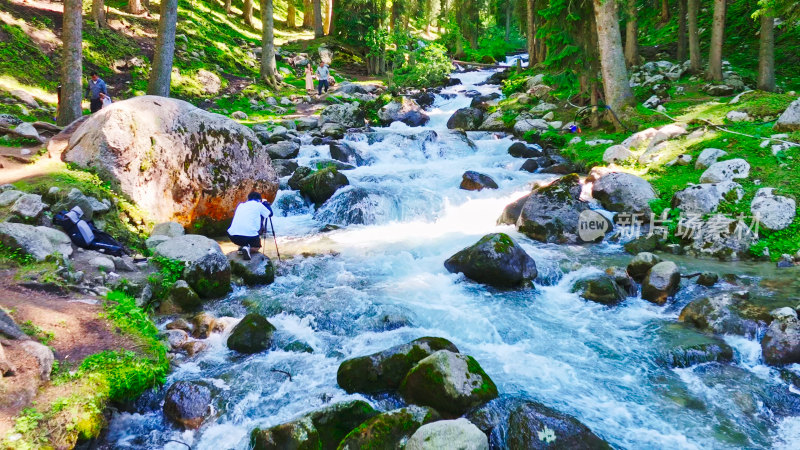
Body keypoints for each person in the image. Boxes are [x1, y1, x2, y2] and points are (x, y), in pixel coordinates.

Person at [227, 192, 274, 260]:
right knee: (256, 247)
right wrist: (266, 203)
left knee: (244, 234)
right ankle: (248, 249)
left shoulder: (241, 205)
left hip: (232, 236)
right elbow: (270, 214)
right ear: (259, 200)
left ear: (248, 199)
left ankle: (242, 248)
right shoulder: (258, 205)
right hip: (249, 237)